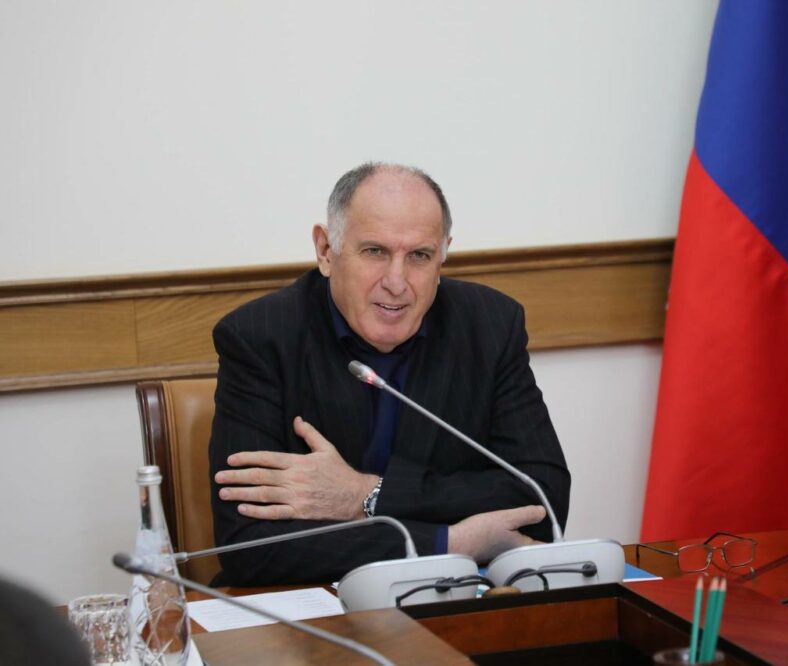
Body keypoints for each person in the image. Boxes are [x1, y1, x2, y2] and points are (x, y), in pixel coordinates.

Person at [210, 162, 570, 586]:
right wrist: (448, 542)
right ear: (326, 251)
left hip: (454, 601)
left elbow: (543, 499)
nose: (396, 282)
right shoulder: (260, 338)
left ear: (443, 255)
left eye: (419, 256)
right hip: (315, 609)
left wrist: (365, 495)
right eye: (375, 252)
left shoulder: (489, 326)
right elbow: (248, 546)